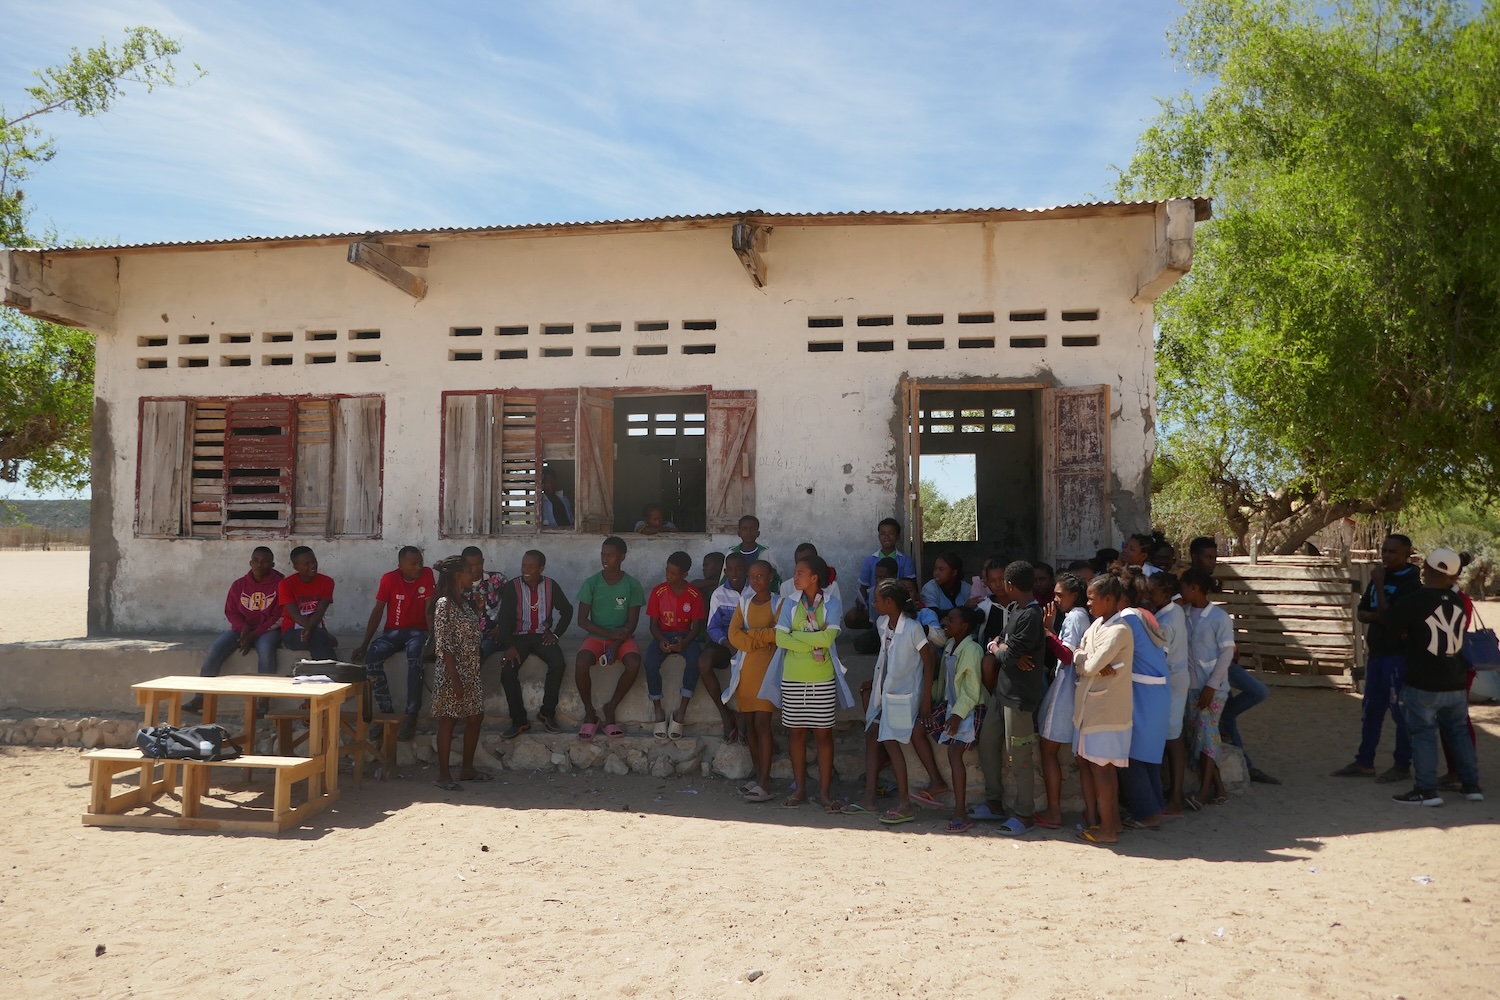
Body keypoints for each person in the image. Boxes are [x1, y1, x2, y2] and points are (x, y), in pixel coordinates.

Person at [1387, 548, 1483, 805]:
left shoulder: (1415, 599)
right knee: (1459, 732)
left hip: (1423, 679)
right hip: (1455, 678)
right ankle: (1471, 785)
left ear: (1426, 569)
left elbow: (1391, 627)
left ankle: (1426, 790)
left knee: (1423, 734)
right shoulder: (1459, 601)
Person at [759, 554, 853, 811]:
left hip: (821, 680)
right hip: (792, 678)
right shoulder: (789, 604)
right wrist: (813, 637)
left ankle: (824, 793)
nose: (795, 577)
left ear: (814, 578)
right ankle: (799, 788)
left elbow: (828, 638)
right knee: (796, 734)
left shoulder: (831, 604)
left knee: (824, 735)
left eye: (800, 572)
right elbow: (780, 640)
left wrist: (797, 636)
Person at [1189, 536, 1279, 784]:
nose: (1211, 562)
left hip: (1221, 658)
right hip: (1206, 666)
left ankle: (1241, 759)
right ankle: (1243, 767)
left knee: (1252, 696)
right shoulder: (1188, 585)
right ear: (1194, 557)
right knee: (1252, 694)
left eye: (1213, 557)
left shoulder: (1206, 585)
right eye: (1207, 557)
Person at [1332, 533, 1421, 781]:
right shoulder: (1378, 577)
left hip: (1399, 657)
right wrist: (1379, 614)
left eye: (1393, 552)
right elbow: (1363, 613)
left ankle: (1402, 766)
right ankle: (1364, 762)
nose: (1386, 556)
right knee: (1371, 709)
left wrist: (1381, 590)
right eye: (1384, 551)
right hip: (1378, 654)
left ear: (1406, 555)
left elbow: (1390, 617)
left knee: (1400, 711)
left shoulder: (1411, 584)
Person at [853, 580, 937, 826]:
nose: (874, 603)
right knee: (872, 734)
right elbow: (887, 657)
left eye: (877, 599)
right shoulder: (882, 624)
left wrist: (926, 700)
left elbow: (929, 662)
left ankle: (904, 804)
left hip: (904, 696)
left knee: (890, 742)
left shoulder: (912, 628)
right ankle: (869, 799)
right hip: (884, 693)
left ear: (889, 603)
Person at [977, 560, 1045, 836]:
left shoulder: (1031, 615)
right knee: (987, 742)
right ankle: (994, 802)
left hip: (1019, 697)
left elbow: (1007, 653)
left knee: (1019, 757)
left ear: (1010, 585)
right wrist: (1000, 646)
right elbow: (1001, 643)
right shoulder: (1017, 609)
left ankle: (1024, 813)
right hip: (1002, 692)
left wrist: (1000, 649)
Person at [1072, 573, 1135, 845]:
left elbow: (1087, 664)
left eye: (1092, 598)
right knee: (1103, 768)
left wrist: (1087, 663)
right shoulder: (1097, 625)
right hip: (1091, 709)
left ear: (1108, 599)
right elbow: (1080, 656)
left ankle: (1107, 830)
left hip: (1107, 712)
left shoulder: (1119, 630)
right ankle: (1114, 823)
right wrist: (1087, 662)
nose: (1088, 604)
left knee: (1103, 769)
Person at [184, 546, 285, 714]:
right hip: (242, 629)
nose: (260, 565)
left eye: (265, 561)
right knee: (216, 648)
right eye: (256, 561)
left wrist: (255, 633)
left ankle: (263, 701)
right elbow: (231, 611)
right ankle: (201, 697)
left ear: (272, 564)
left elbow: (280, 615)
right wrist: (244, 629)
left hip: (268, 630)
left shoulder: (281, 584)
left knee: (266, 649)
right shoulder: (239, 585)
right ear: (250, 562)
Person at [353, 545, 436, 743]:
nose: (418, 567)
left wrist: (434, 639)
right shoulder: (389, 579)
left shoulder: (427, 575)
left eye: (420, 563)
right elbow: (378, 611)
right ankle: (386, 713)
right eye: (413, 564)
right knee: (372, 657)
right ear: (400, 565)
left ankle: (411, 715)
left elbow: (429, 610)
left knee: (415, 658)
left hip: (418, 632)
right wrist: (364, 644)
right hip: (394, 632)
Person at [494, 549, 574, 739]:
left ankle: (547, 713)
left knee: (558, 663)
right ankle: (519, 721)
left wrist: (555, 634)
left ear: (541, 568)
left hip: (541, 635)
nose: (526, 570)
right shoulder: (513, 586)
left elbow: (567, 610)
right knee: (507, 671)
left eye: (531, 566)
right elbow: (504, 619)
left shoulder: (550, 585)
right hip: (518, 637)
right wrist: (509, 646)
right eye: (523, 565)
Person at [575, 536, 646, 740]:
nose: (605, 559)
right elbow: (581, 620)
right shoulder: (591, 583)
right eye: (603, 554)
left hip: (622, 638)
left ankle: (610, 708)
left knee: (633, 663)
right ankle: (589, 713)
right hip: (597, 636)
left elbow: (632, 623)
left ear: (622, 557)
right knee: (581, 662)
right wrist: (608, 635)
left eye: (611, 555)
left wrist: (616, 644)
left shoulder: (632, 585)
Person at [1035, 570, 1090, 829]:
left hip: (1067, 687)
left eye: (1060, 595)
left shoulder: (1075, 617)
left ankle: (1054, 811)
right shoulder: (1075, 616)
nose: (1055, 600)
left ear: (1074, 596)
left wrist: (1048, 632)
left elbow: (1067, 655)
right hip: (1072, 687)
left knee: (1048, 748)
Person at [1117, 571, 1172, 830]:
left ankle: (1146, 813)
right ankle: (1154, 807)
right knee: (1146, 754)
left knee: (1130, 754)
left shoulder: (1125, 621)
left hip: (1141, 692)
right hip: (1156, 692)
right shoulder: (1144, 614)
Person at [724, 559, 781, 802]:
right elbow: (733, 635)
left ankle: (765, 782)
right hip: (747, 671)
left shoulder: (780, 603)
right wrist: (760, 640)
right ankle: (759, 777)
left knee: (763, 723)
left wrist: (752, 637)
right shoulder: (744, 603)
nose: (756, 580)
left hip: (768, 670)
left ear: (770, 577)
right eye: (752, 576)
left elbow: (779, 634)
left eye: (761, 576)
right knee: (750, 726)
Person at [430, 555, 488, 791]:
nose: (471, 574)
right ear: (457, 575)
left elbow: (470, 632)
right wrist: (455, 680)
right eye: (467, 571)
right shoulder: (444, 604)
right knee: (449, 719)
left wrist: (479, 609)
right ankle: (444, 775)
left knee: (475, 716)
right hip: (452, 672)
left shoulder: (463, 602)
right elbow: (443, 644)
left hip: (470, 670)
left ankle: (467, 768)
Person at [1181, 567, 1234, 809]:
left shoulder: (1219, 618)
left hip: (1212, 688)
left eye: (1184, 587)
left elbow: (1227, 653)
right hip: (1192, 686)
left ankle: (1203, 793)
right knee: (1200, 737)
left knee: (1207, 736)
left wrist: (1212, 685)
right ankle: (1220, 789)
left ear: (1194, 588)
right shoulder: (1184, 612)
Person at [645, 551, 707, 740]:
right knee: (650, 662)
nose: (669, 576)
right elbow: (653, 625)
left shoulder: (694, 595)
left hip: (686, 637)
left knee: (695, 660)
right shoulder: (658, 592)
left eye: (673, 573)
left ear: (684, 575)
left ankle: (681, 711)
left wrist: (685, 642)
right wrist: (661, 639)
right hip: (662, 635)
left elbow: (697, 626)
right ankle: (658, 710)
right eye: (667, 571)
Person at [1144, 571, 1192, 816]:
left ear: (1165, 591)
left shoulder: (1166, 622)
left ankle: (1175, 798)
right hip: (1174, 678)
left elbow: (1157, 656)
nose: (1148, 595)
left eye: (1152, 591)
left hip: (1171, 681)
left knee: (1173, 740)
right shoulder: (1172, 611)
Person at [935, 606, 987, 833]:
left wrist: (957, 715)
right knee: (919, 727)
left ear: (964, 626)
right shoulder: (949, 646)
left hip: (970, 708)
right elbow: (944, 681)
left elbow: (972, 690)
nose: (946, 622)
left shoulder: (973, 650)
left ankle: (960, 811)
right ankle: (937, 785)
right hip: (952, 707)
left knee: (954, 752)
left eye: (951, 619)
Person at [698, 551, 750, 741]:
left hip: (749, 644)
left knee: (750, 668)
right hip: (726, 643)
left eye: (739, 569)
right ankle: (725, 713)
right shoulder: (719, 594)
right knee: (704, 662)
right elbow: (713, 627)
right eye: (731, 569)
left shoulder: (755, 591)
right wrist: (727, 644)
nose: (735, 573)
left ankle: (743, 715)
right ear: (725, 572)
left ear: (746, 570)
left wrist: (744, 643)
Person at [278, 545, 337, 661]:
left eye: (314, 561)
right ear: (296, 567)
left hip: (316, 628)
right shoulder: (285, 585)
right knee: (319, 637)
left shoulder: (327, 582)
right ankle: (329, 671)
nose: (313, 566)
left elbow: (320, 611)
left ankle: (322, 672)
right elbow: (294, 615)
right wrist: (318, 631)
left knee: (317, 637)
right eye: (307, 563)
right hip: (291, 631)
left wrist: (311, 629)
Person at [852, 518, 918, 617]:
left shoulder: (905, 560)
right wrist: (861, 603)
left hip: (898, 605)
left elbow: (910, 587)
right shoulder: (870, 560)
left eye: (891, 533)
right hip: (875, 604)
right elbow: (864, 587)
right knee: (851, 617)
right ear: (879, 536)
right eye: (883, 533)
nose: (886, 537)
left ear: (897, 536)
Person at [461, 546, 507, 661]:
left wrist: (501, 626)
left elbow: (513, 605)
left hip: (493, 635)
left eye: (478, 564)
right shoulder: (459, 586)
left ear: (483, 561)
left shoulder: (497, 580)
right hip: (467, 636)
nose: (475, 569)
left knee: (480, 651)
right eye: (470, 565)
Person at [845, 557, 900, 654]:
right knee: (860, 643)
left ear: (894, 576)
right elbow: (873, 621)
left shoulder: (900, 591)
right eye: (877, 577)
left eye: (883, 577)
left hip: (897, 631)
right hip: (880, 629)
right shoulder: (874, 592)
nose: (879, 580)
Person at [724, 515, 779, 589]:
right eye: (744, 529)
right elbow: (724, 578)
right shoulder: (731, 553)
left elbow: (777, 577)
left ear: (758, 533)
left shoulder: (766, 553)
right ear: (739, 533)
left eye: (752, 529)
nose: (748, 532)